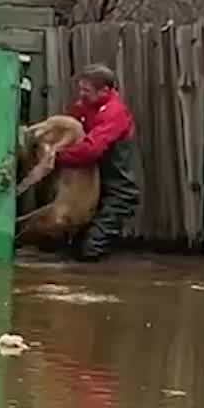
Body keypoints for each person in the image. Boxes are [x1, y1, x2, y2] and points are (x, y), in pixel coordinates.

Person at [54, 64, 141, 262]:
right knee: (72, 247)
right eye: (80, 89)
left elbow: (91, 150)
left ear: (104, 91)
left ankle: (98, 287)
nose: (81, 94)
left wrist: (56, 157)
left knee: (92, 247)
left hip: (119, 192)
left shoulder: (114, 113)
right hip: (95, 187)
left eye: (86, 90)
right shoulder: (84, 107)